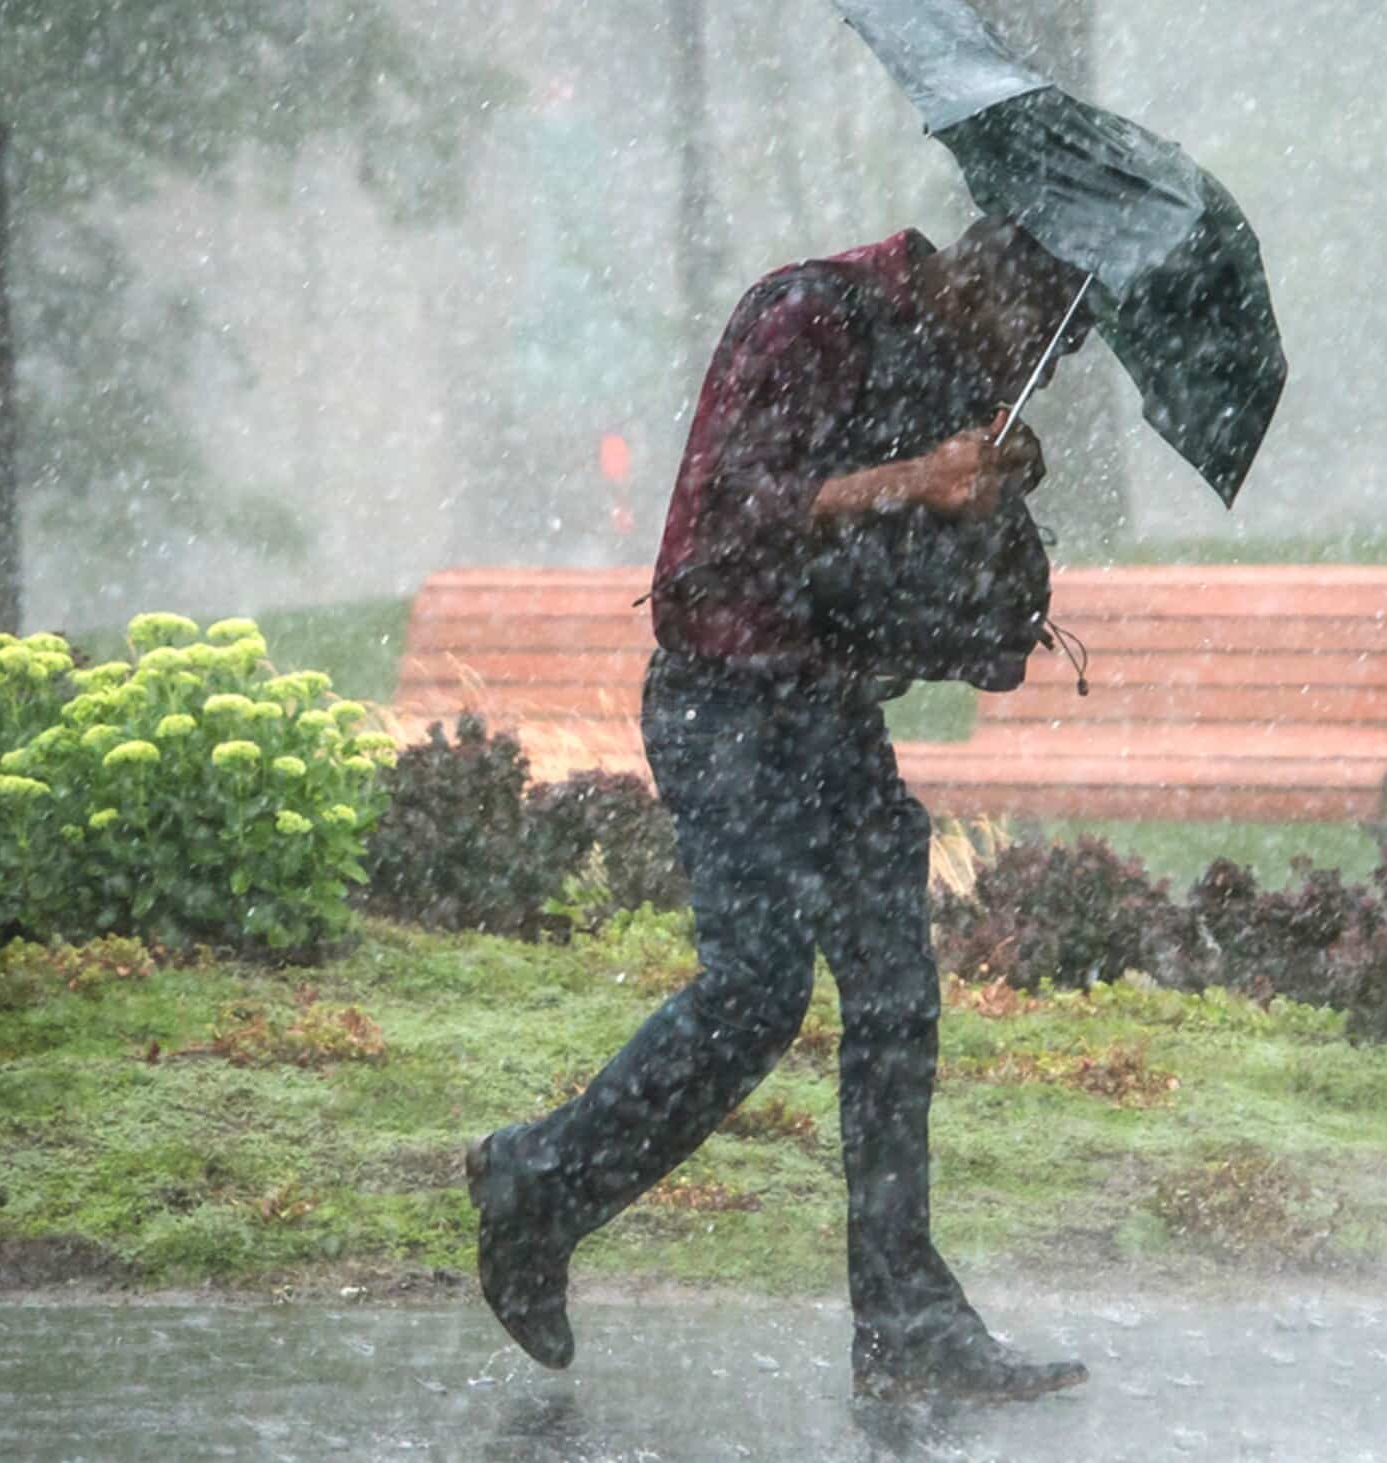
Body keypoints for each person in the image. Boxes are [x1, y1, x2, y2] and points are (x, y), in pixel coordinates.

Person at [464, 217, 1093, 1403]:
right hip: (723, 699)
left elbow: (885, 572)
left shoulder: (941, 354)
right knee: (756, 988)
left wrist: (982, 510)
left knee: (895, 994)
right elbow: (725, 517)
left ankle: (905, 1319)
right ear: (986, 284)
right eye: (1032, 344)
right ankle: (537, 1181)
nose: (1026, 374)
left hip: (827, 707)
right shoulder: (807, 314)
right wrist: (913, 477)